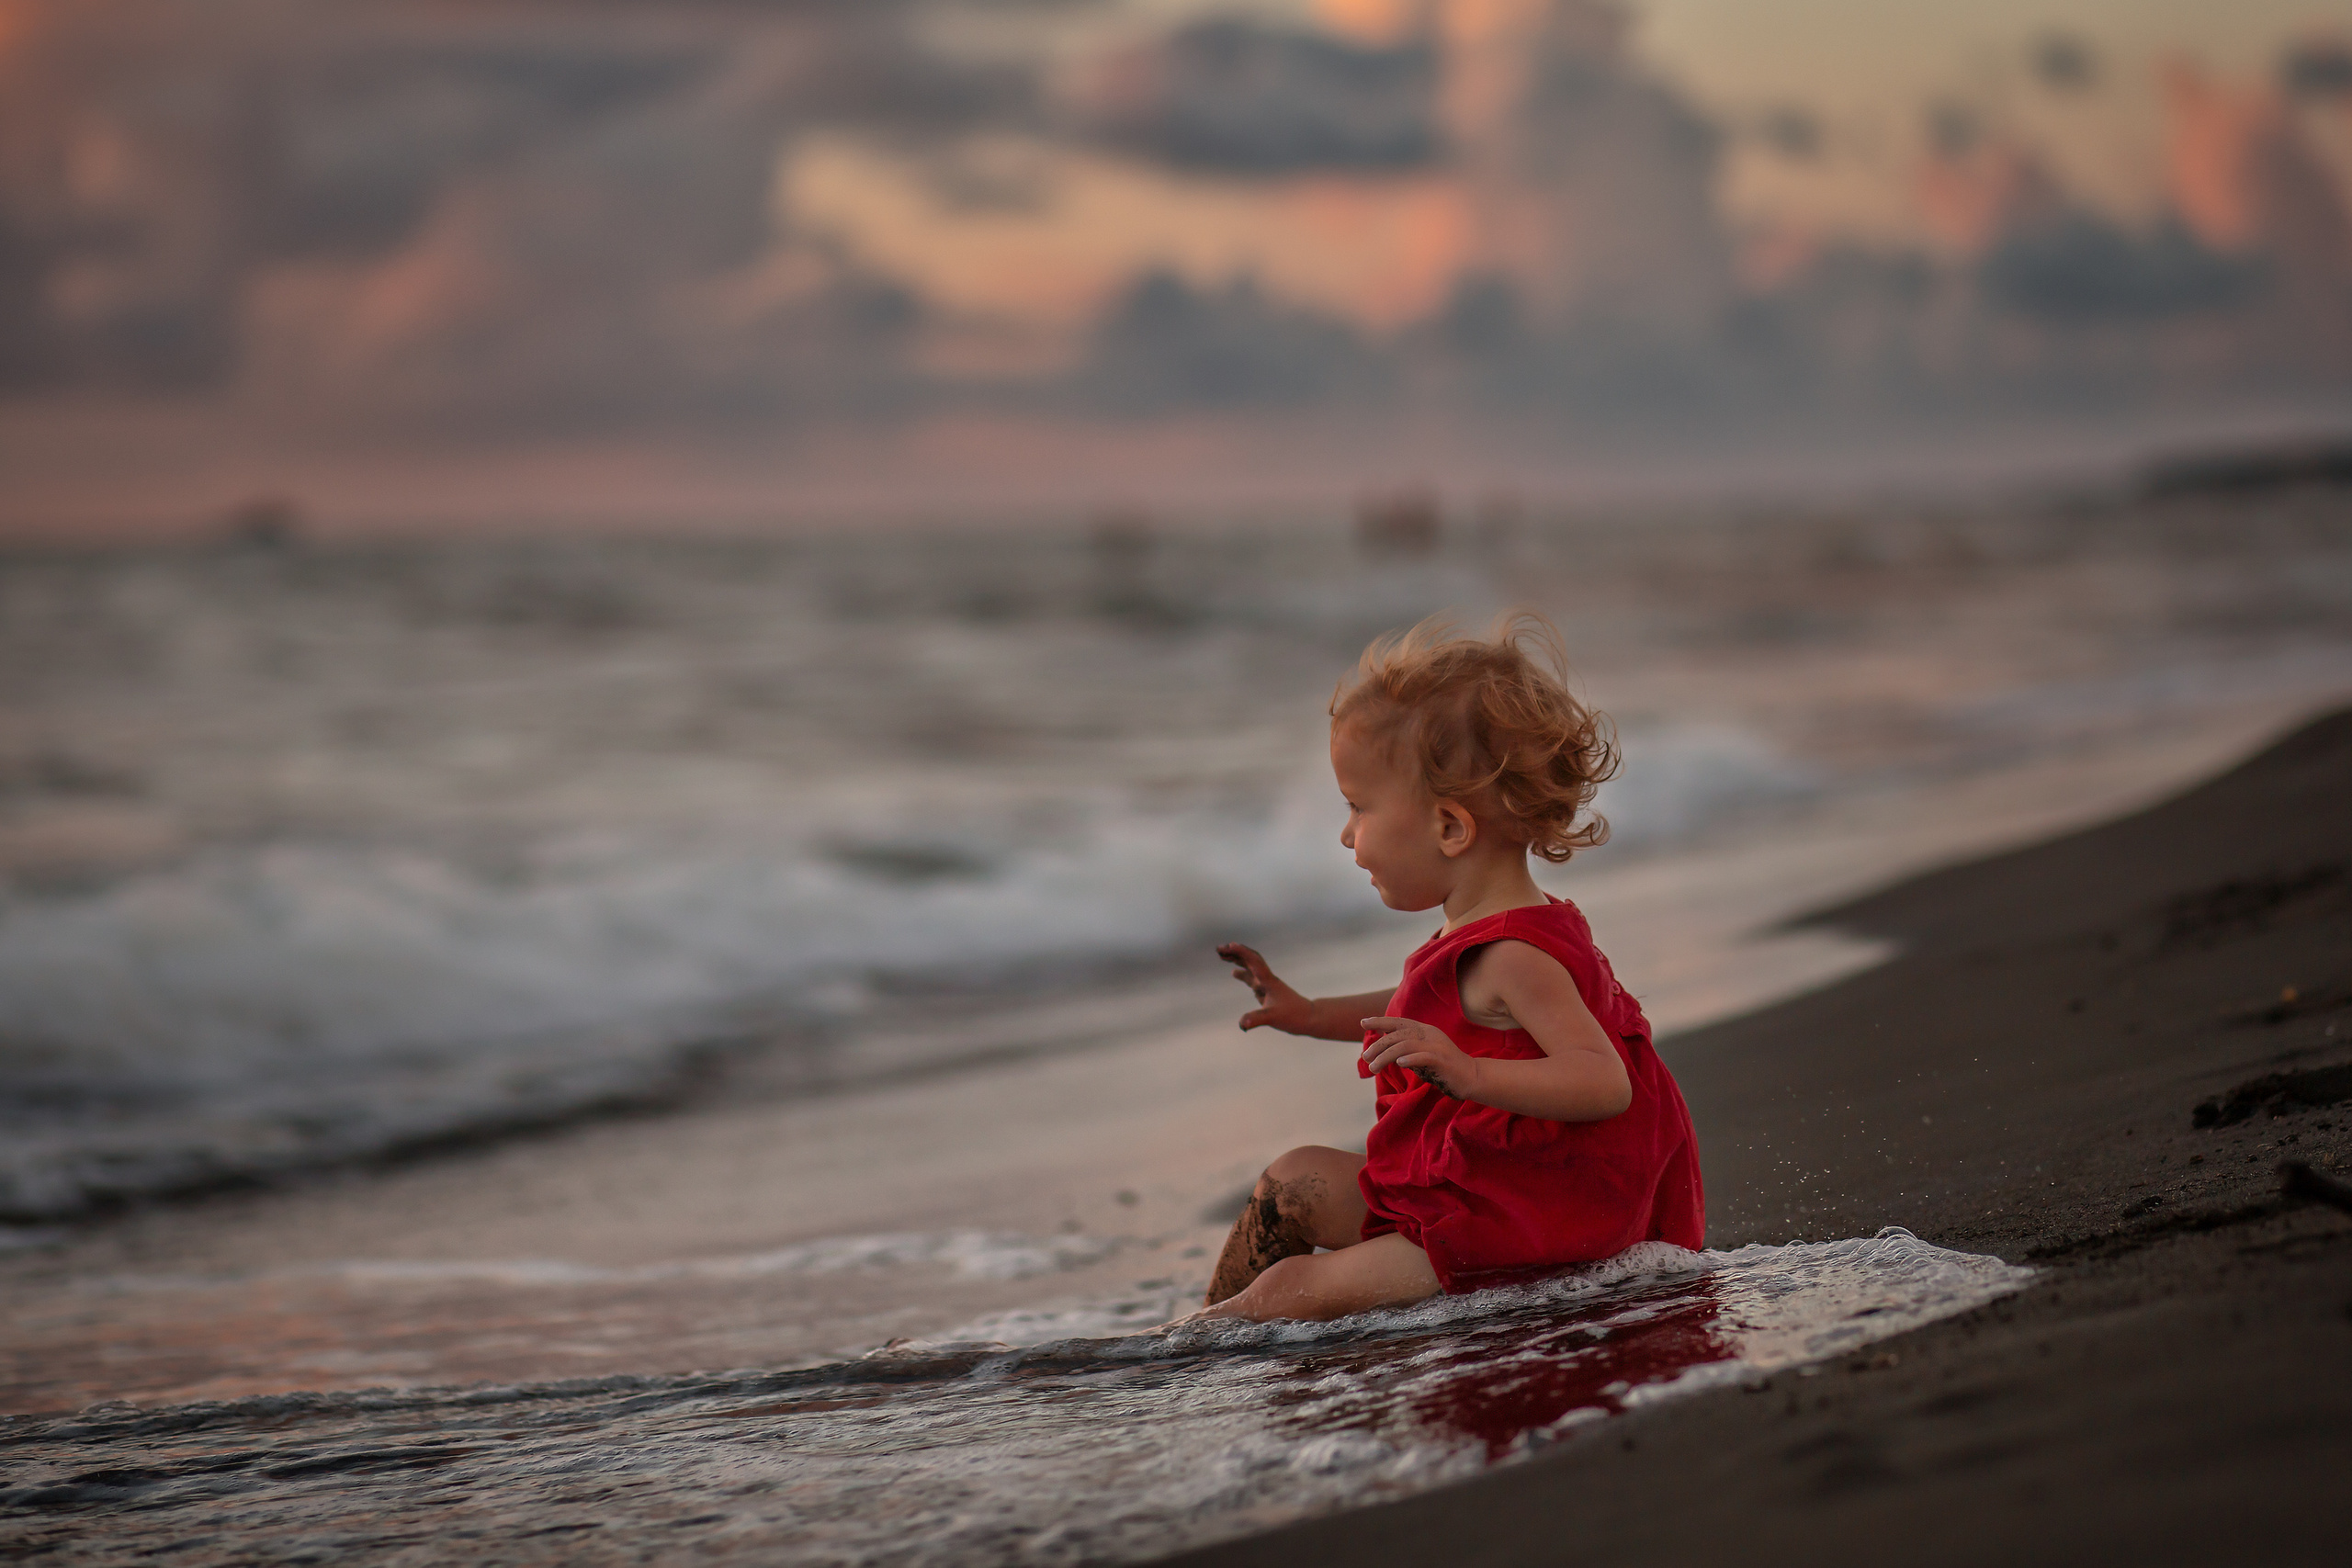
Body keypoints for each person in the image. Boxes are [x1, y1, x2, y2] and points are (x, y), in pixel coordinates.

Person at [1193, 613, 1704, 1323]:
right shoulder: (1485, 935)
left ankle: (1180, 1363)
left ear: (1449, 827)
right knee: (1293, 1179)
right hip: (1472, 1193)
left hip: (1519, 1221)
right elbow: (1420, 1007)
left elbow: (1603, 1079)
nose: (1346, 834)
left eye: (1358, 807)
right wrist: (1309, 1014)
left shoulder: (1516, 955)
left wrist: (1468, 1071)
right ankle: (1198, 1331)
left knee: (1286, 1295)